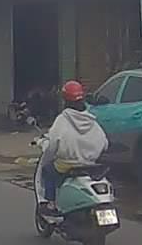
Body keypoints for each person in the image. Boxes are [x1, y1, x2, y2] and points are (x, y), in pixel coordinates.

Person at [34, 80, 108, 213]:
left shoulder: (62, 120)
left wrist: (45, 145)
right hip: (90, 165)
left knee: (48, 170)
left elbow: (52, 145)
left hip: (67, 165)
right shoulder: (90, 120)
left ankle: (51, 203)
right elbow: (104, 143)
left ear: (65, 99)